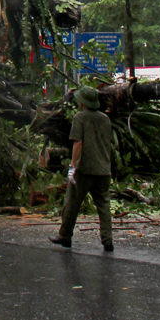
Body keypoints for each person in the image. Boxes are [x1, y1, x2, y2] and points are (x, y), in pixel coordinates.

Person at [50, 86, 119, 251]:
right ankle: (107, 240)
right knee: (104, 205)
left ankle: (65, 236)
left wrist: (73, 166)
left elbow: (78, 143)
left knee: (72, 202)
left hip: (85, 170)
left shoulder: (80, 118)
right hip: (103, 169)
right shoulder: (105, 119)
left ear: (82, 102)